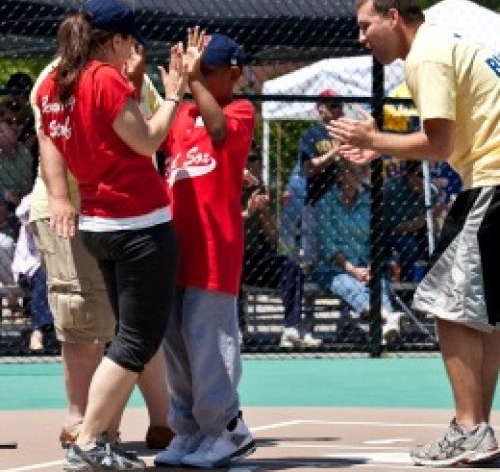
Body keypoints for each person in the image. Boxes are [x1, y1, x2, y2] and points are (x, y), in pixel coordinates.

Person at [328, 0, 500, 467]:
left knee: (448, 302)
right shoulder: (449, 42)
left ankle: (469, 429)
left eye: (366, 27)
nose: (361, 38)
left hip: (492, 180)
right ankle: (477, 430)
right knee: (482, 316)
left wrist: (375, 138)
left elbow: (439, 144)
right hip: (491, 180)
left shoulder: (426, 56)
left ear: (394, 18)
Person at [35, 0, 200, 471]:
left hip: (99, 223)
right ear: (118, 39)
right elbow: (147, 138)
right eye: (130, 40)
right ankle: (89, 440)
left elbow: (81, 135)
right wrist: (173, 93)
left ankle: (93, 437)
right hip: (136, 221)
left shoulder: (55, 83)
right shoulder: (101, 78)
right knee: (135, 340)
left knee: (128, 338)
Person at [155, 32, 256, 469]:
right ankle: (189, 430)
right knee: (176, 345)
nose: (199, 76)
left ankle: (226, 430)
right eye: (198, 69)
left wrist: (194, 82)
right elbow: (147, 139)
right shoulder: (181, 114)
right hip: (176, 249)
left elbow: (217, 132)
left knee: (210, 345)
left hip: (215, 251)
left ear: (232, 74)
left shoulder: (239, 110)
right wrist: (167, 91)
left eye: (208, 72)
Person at [313, 160, 405, 343]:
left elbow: (374, 240)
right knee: (350, 285)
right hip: (333, 269)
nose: (358, 176)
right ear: (340, 176)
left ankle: (385, 327)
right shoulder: (325, 203)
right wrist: (353, 270)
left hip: (363, 266)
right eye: (353, 172)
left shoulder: (367, 203)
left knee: (378, 282)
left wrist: (372, 265)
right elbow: (328, 245)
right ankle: (388, 318)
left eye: (360, 172)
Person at [241, 147, 321, 348]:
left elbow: (273, 238)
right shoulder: (227, 187)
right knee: (230, 268)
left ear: (260, 163)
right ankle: (237, 329)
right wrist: (247, 211)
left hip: (257, 258)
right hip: (233, 256)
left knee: (292, 263)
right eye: (245, 160)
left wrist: (263, 210)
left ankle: (291, 328)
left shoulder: (265, 190)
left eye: (253, 159)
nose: (249, 164)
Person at [300, 89, 343, 268]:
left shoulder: (346, 132)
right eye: (332, 106)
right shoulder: (312, 134)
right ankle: (309, 289)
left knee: (341, 245)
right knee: (312, 249)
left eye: (339, 106)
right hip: (317, 198)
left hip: (343, 202)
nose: (337, 110)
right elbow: (309, 168)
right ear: (320, 108)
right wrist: (335, 152)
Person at [11, 193, 53, 351]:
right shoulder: (34, 198)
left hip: (62, 265)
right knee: (44, 273)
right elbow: (22, 213)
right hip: (30, 267)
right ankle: (38, 333)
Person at [383, 160, 438, 282]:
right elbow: (392, 226)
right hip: (390, 234)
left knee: (438, 242)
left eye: (426, 177)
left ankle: (432, 283)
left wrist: (428, 223)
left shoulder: (431, 192)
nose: (423, 182)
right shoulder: (390, 189)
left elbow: (432, 224)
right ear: (409, 175)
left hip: (418, 231)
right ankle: (406, 287)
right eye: (419, 176)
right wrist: (414, 224)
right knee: (409, 245)